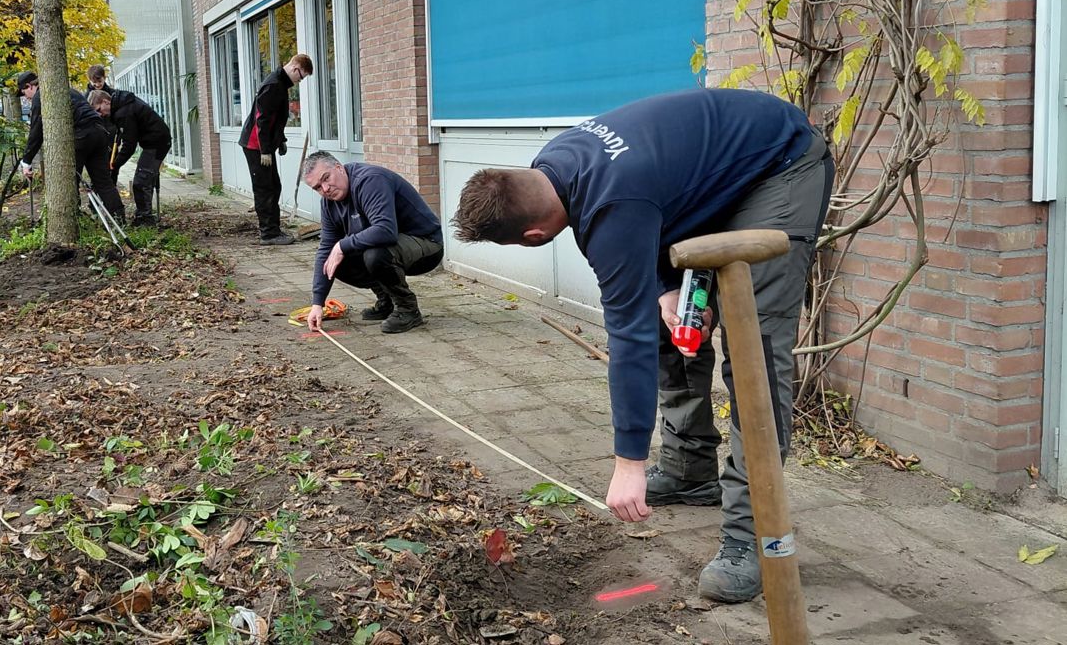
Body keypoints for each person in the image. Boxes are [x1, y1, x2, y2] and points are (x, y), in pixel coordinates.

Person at [451, 87, 833, 604]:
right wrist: (663, 287)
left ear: (535, 235)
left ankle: (754, 540)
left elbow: (624, 333)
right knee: (664, 323)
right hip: (717, 173)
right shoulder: (554, 167)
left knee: (755, 355)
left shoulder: (610, 204)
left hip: (780, 164)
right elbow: (650, 212)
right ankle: (689, 470)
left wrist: (627, 462)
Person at [302, 152, 443, 334]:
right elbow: (325, 250)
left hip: (427, 243)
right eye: (318, 188)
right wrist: (317, 303)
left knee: (375, 255)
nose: (325, 189)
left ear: (338, 168)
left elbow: (385, 230)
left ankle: (408, 310)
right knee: (334, 261)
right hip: (393, 247)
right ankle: (387, 300)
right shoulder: (329, 205)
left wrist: (342, 246)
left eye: (326, 178)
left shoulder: (370, 180)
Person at [15, 70, 124, 222]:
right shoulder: (69, 90)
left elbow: (36, 130)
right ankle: (120, 219)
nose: (26, 98)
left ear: (29, 86)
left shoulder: (41, 96)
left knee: (70, 181)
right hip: (99, 133)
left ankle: (74, 221)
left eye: (24, 93)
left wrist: (26, 161)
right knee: (104, 182)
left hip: (82, 136)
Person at [238, 53, 311, 245]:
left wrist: (281, 140)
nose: (299, 81)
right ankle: (268, 234)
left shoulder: (280, 83)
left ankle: (273, 229)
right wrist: (265, 150)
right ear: (295, 68)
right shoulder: (273, 85)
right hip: (256, 146)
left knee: (274, 186)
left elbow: (275, 119)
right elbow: (261, 119)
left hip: (264, 145)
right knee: (264, 189)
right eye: (301, 77)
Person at [87, 89, 172, 226]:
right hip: (153, 141)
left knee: (141, 181)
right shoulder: (121, 104)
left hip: (157, 142)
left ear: (105, 101)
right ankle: (143, 215)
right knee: (144, 179)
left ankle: (145, 219)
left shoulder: (124, 111)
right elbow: (123, 135)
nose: (100, 114)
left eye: (99, 109)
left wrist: (115, 164)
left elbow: (130, 145)